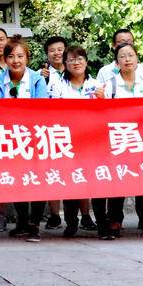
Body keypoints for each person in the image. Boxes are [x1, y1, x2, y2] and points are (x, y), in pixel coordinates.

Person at [96, 42, 143, 240]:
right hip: (119, 137)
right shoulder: (111, 84)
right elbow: (102, 112)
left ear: (137, 59)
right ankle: (114, 219)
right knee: (119, 176)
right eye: (122, 56)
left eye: (131, 55)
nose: (127, 59)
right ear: (117, 62)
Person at [0, 35, 48, 242]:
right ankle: (22, 221)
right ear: (5, 59)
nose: (16, 61)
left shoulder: (37, 79)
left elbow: (42, 107)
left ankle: (34, 223)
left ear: (27, 58)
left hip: (34, 137)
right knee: (18, 179)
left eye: (20, 56)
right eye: (11, 56)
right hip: (9, 137)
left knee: (38, 180)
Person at [50, 45, 103, 237]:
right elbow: (51, 112)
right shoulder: (57, 85)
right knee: (70, 182)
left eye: (80, 59)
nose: (76, 62)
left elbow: (108, 113)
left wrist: (102, 101)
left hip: (93, 142)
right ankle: (71, 223)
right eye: (71, 59)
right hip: (67, 141)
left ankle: (101, 222)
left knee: (96, 181)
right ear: (65, 64)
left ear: (86, 62)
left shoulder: (97, 85)